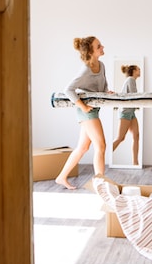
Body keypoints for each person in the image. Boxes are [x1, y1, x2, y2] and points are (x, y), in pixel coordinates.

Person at [55, 36, 112, 189]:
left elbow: (103, 84)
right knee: (101, 146)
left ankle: (61, 177)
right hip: (87, 112)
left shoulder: (101, 65)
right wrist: (82, 106)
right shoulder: (85, 69)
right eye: (99, 46)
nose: (102, 47)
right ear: (91, 51)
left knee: (83, 148)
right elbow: (68, 89)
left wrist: (107, 92)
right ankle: (101, 184)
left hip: (93, 110)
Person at [112, 64, 141, 166]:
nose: (140, 70)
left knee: (136, 136)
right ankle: (105, 155)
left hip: (131, 112)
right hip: (125, 112)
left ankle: (135, 162)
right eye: (138, 69)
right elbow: (134, 96)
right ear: (133, 70)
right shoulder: (130, 80)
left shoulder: (131, 80)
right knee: (120, 138)